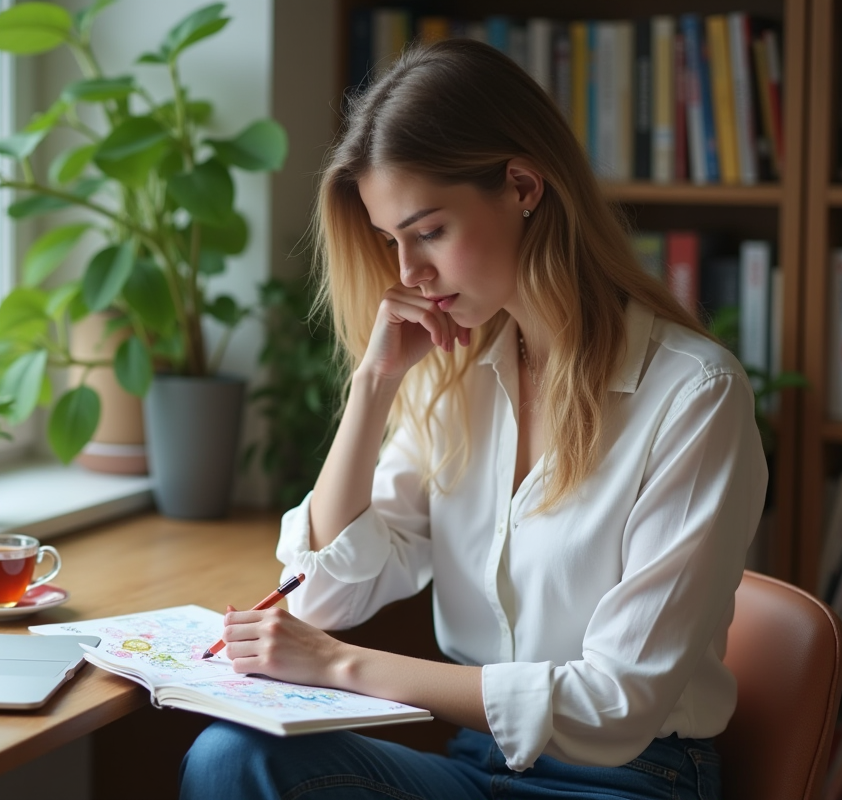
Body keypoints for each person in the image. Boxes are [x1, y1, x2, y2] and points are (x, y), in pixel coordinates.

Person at [180, 37, 767, 800]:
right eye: (392, 241)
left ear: (523, 185)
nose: (408, 274)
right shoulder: (453, 378)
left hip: (629, 781)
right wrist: (375, 386)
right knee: (233, 758)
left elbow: (615, 706)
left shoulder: (693, 396)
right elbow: (322, 594)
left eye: (429, 231)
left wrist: (336, 667)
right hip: (479, 763)